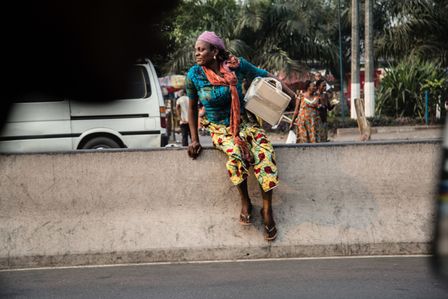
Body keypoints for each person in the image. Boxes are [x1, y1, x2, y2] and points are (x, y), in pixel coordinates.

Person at [185, 31, 297, 241]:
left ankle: (267, 210)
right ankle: (245, 201)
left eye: (201, 50)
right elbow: (191, 109)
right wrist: (194, 140)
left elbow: (264, 74)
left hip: (245, 123)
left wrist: (293, 96)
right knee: (235, 153)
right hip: (219, 128)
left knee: (265, 152)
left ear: (215, 51)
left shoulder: (236, 65)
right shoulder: (194, 75)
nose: (197, 54)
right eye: (196, 50)